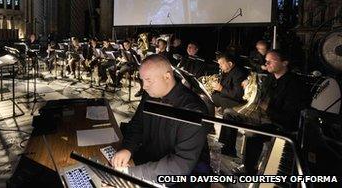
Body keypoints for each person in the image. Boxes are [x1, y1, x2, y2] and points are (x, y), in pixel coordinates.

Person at [112, 54, 211, 185]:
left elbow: (181, 165)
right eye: (142, 80)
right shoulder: (150, 94)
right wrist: (127, 148)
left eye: (148, 80)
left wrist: (131, 174)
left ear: (167, 77)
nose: (144, 86)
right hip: (151, 161)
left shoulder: (193, 109)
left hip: (180, 176)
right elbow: (137, 125)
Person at [218, 50, 311, 174]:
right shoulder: (270, 78)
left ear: (284, 63)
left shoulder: (294, 84)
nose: (266, 63)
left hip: (278, 122)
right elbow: (259, 97)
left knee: (252, 132)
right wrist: (250, 87)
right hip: (263, 115)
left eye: (270, 61)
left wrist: (265, 107)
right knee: (229, 113)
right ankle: (227, 151)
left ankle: (249, 169)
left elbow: (288, 118)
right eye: (266, 60)